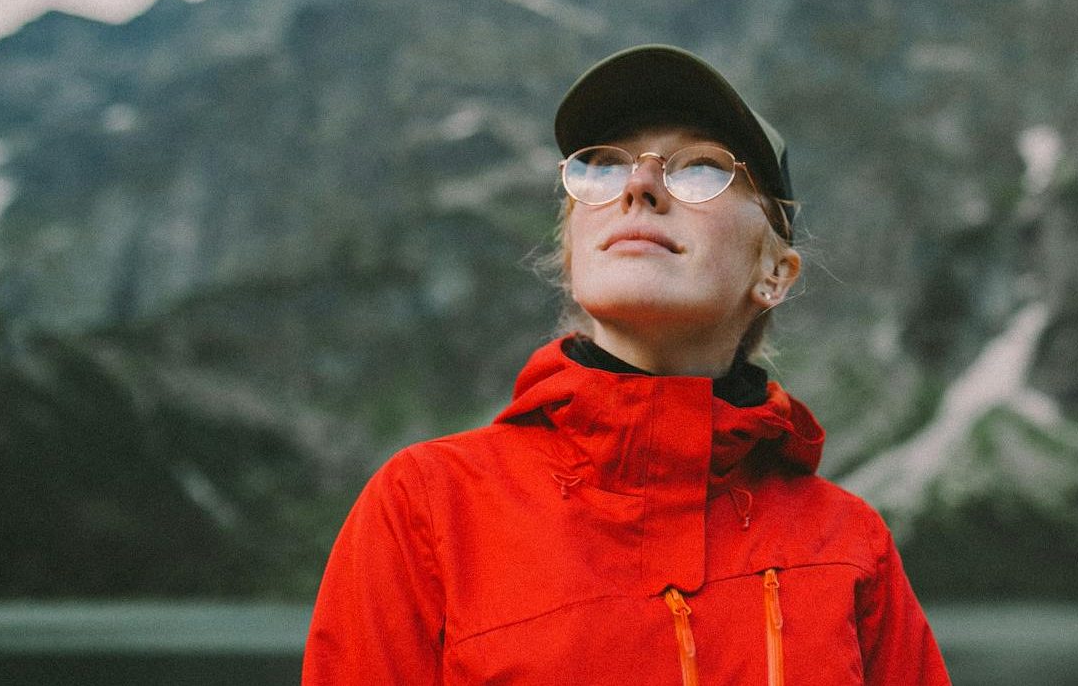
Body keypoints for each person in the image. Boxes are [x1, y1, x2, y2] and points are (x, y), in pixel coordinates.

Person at [303, 45, 950, 685]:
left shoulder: (847, 544)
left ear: (775, 271)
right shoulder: (427, 507)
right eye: (603, 168)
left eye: (699, 168)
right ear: (573, 246)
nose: (639, 185)